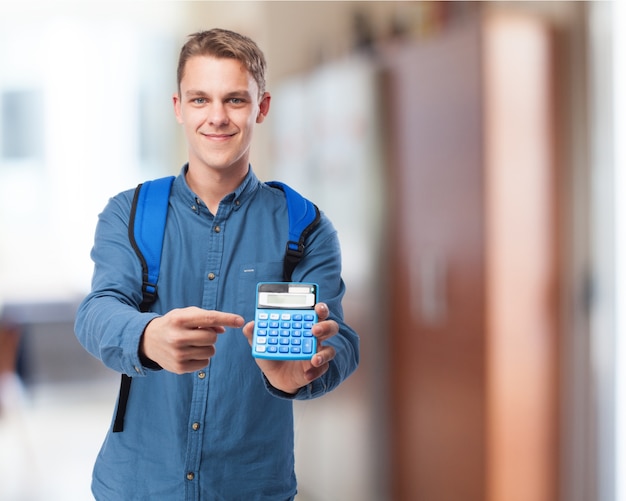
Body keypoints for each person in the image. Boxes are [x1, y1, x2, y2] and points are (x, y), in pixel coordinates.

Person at [74, 28, 359, 500]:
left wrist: (307, 372)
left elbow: (341, 338)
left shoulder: (305, 227)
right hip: (137, 485)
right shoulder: (129, 213)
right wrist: (147, 338)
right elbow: (97, 310)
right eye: (201, 99)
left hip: (252, 487)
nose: (218, 117)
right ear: (178, 107)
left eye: (235, 100)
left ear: (262, 107)